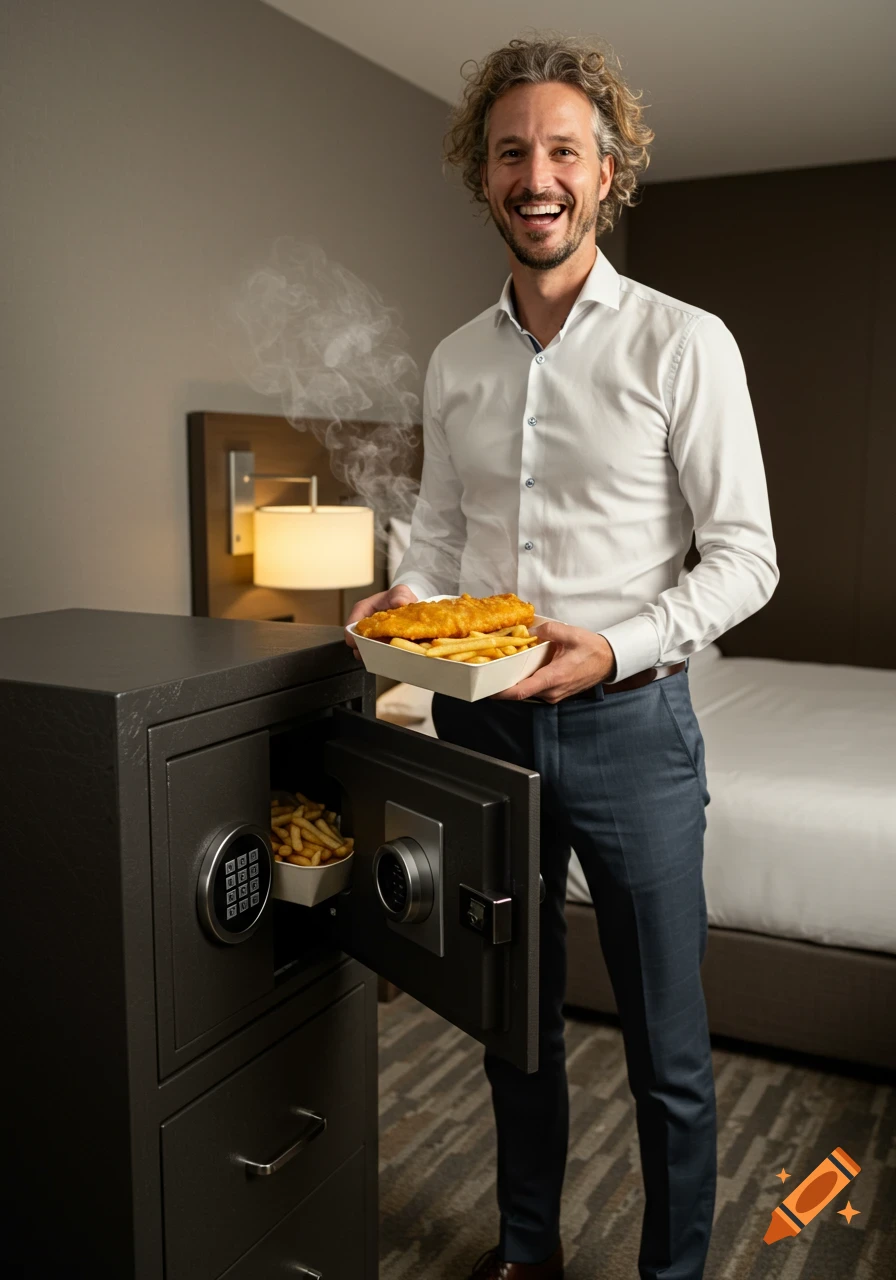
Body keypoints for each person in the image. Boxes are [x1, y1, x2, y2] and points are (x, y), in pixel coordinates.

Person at [347, 33, 778, 1280]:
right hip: (481, 730)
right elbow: (440, 540)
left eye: (561, 152)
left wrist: (613, 647)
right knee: (510, 1021)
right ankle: (526, 1251)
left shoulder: (683, 342)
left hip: (632, 730)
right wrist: (408, 596)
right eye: (508, 153)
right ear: (480, 175)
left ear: (606, 171)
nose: (534, 176)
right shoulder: (454, 360)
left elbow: (746, 557)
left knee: (666, 1051)